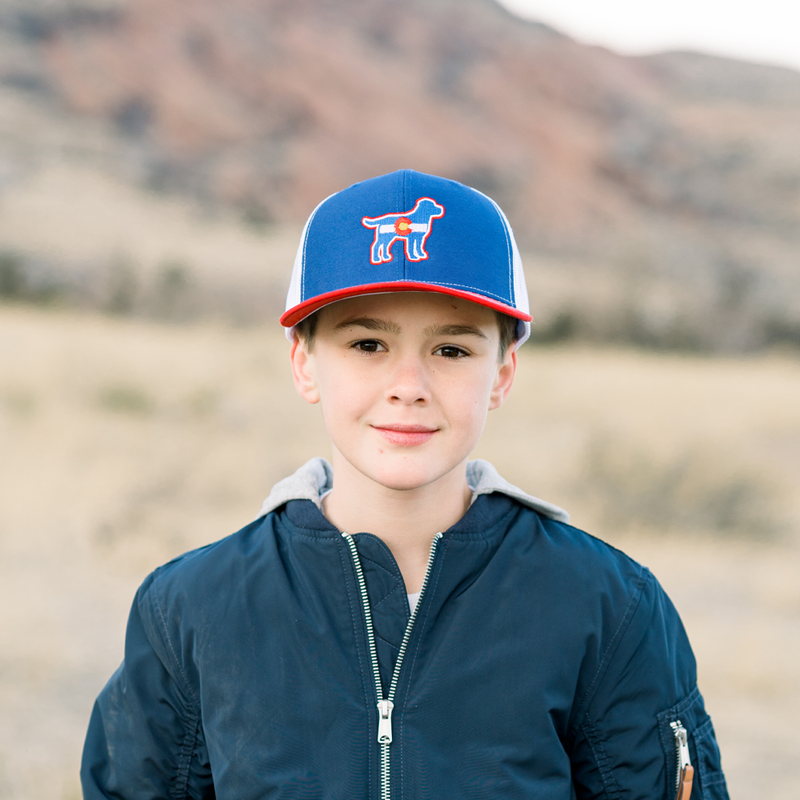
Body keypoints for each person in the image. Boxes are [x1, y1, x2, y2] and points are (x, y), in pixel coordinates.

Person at [81, 169, 728, 799]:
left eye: (452, 351)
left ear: (502, 374)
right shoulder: (192, 607)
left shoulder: (609, 607)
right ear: (305, 365)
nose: (409, 385)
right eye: (367, 344)